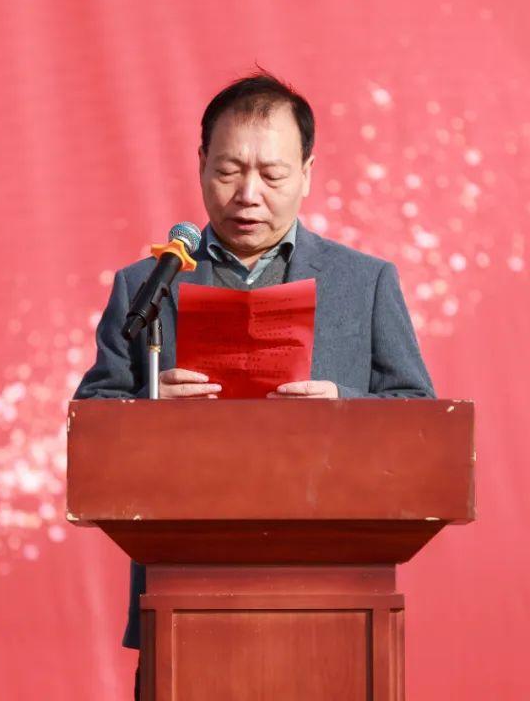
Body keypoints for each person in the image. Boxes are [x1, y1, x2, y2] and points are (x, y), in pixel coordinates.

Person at [74, 71, 435, 698]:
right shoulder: (147, 285)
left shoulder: (365, 282)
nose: (248, 194)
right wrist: (151, 407)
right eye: (228, 171)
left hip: (331, 592)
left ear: (307, 174)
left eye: (272, 175)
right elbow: (91, 417)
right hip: (183, 588)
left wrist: (345, 407)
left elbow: (420, 415)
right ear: (201, 165)